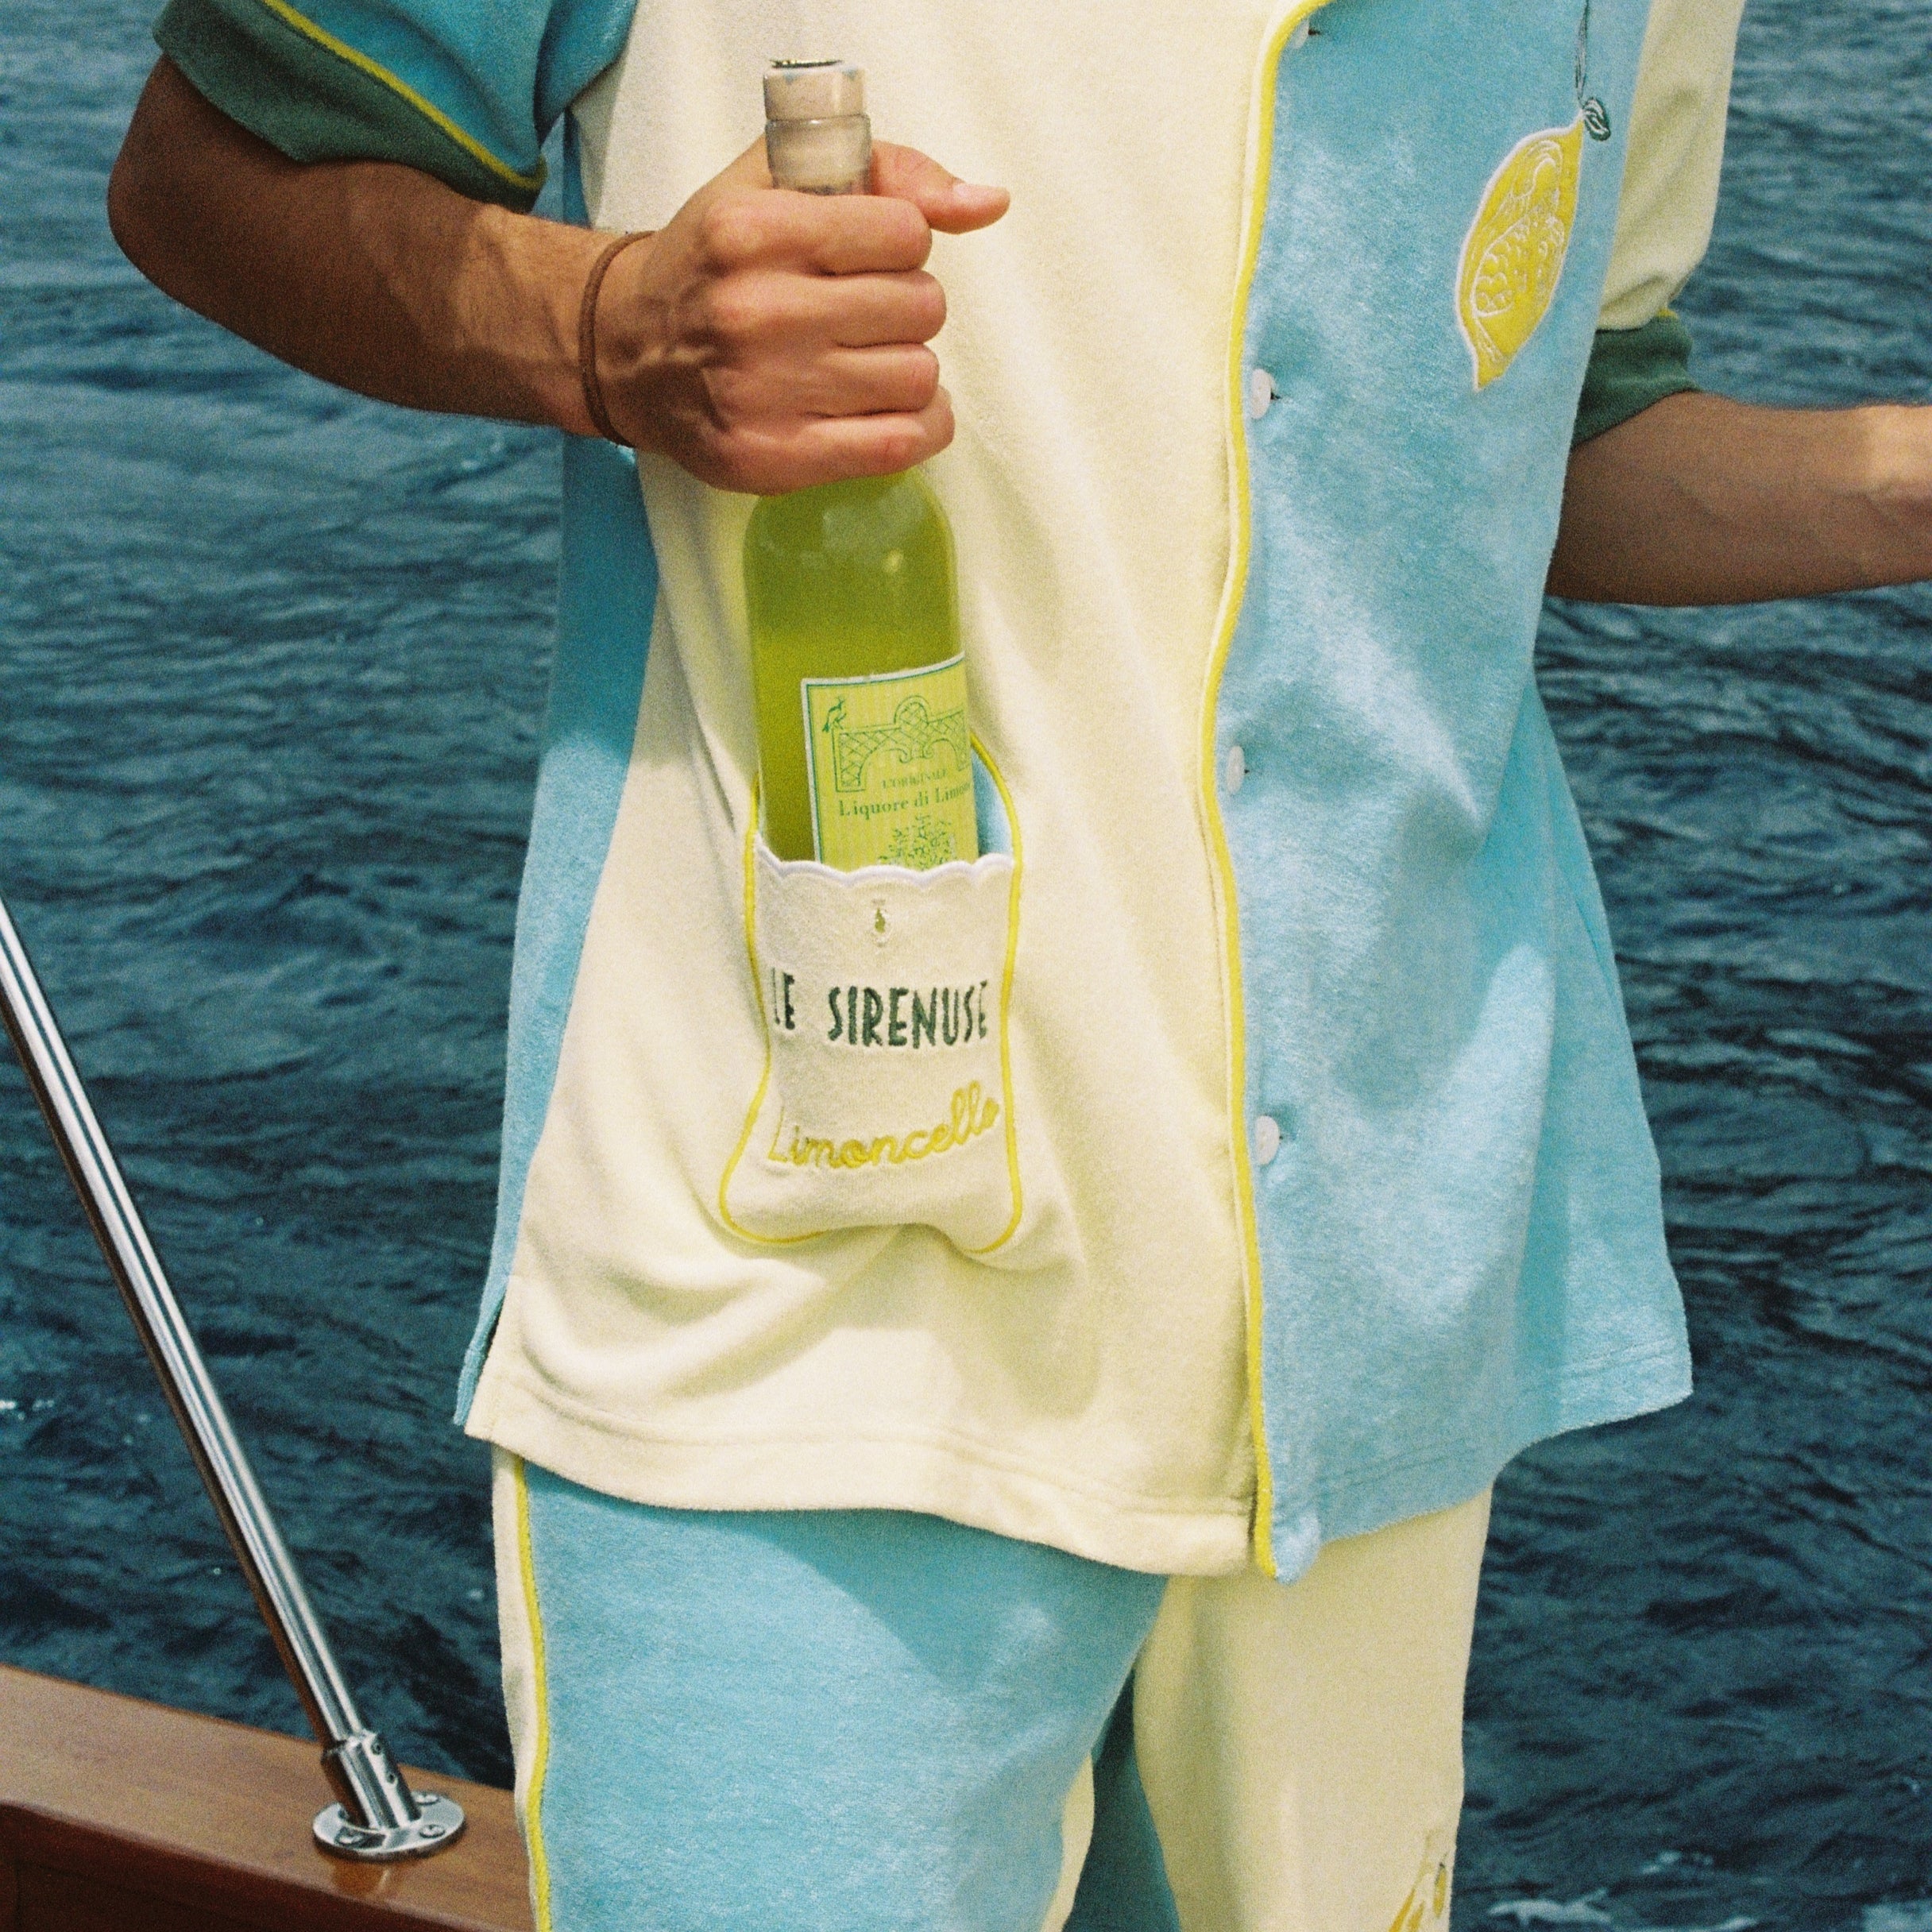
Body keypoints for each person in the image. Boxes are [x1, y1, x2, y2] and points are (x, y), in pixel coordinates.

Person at [107, 2, 1932, 1926]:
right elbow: (212, 174)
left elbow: (1557, 432)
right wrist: (605, 329)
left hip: (1373, 1322)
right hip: (809, 1327)